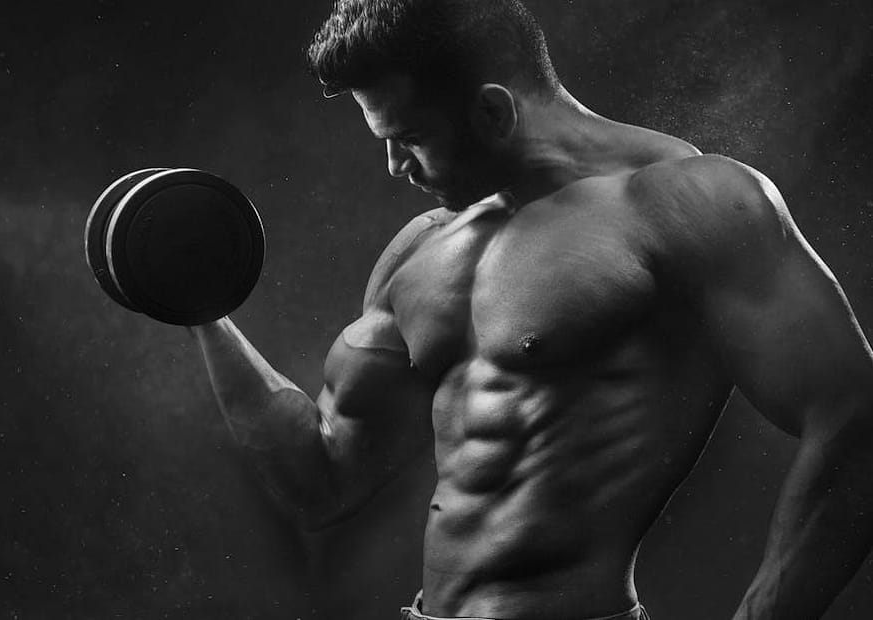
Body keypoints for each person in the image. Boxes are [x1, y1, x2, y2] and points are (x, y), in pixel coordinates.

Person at [189, 1, 873, 618]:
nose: (395, 165)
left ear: (493, 112)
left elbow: (856, 420)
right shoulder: (423, 250)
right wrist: (201, 309)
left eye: (411, 137)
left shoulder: (682, 206)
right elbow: (322, 483)